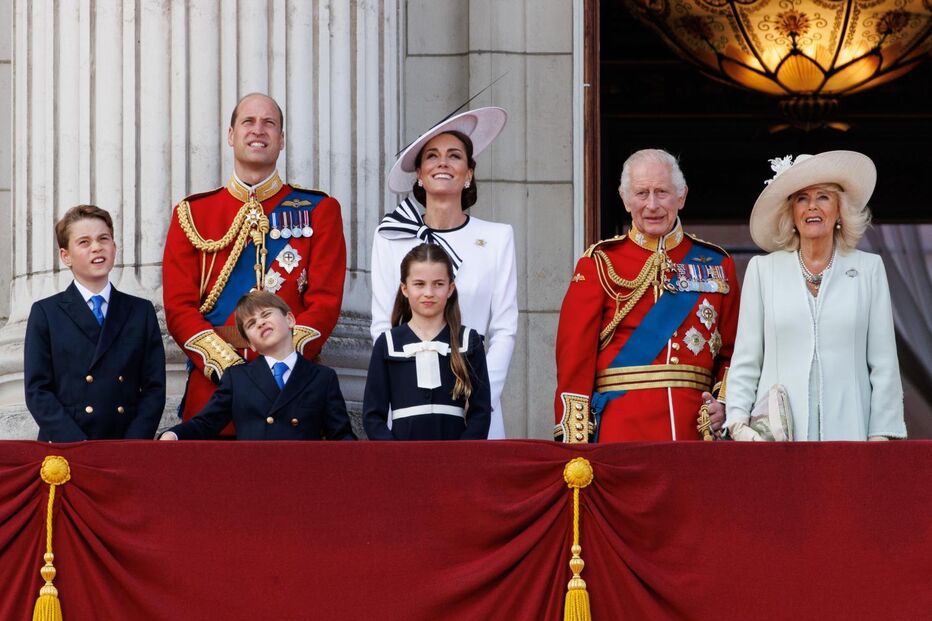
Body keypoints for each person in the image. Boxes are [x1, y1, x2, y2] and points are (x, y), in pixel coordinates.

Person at [163, 93, 346, 428]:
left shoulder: (319, 210)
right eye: (248, 121)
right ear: (231, 136)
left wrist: (282, 362)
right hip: (215, 392)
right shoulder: (192, 214)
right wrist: (231, 371)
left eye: (269, 123)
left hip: (293, 390)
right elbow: (178, 307)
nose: (258, 130)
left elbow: (325, 302)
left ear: (282, 139)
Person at [554, 149, 739, 442]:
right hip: (620, 427)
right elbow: (574, 358)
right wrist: (576, 441)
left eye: (662, 192)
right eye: (641, 193)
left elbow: (733, 351)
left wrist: (726, 405)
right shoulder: (599, 262)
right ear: (625, 199)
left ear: (682, 196)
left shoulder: (717, 263)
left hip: (694, 428)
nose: (652, 205)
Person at [725, 151, 906, 441]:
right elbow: (747, 358)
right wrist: (737, 422)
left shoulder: (868, 269)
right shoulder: (763, 271)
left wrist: (880, 437)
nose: (812, 207)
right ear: (791, 212)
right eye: (801, 198)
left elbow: (884, 364)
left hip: (851, 434)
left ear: (839, 210)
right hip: (777, 440)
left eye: (823, 197)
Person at [371, 107, 516, 439]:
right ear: (419, 175)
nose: (443, 163)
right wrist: (401, 388)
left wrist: (480, 396)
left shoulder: (497, 237)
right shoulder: (391, 236)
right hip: (409, 402)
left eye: (454, 156)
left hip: (475, 405)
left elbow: (505, 329)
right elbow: (382, 324)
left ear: (468, 174)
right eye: (432, 156)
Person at [24, 205, 166, 441]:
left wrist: (133, 444)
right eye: (84, 242)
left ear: (114, 247)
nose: (97, 247)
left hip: (125, 447)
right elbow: (37, 391)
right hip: (67, 447)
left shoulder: (141, 312)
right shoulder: (46, 313)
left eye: (103, 239)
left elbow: (154, 388)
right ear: (65, 256)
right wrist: (77, 445)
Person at [160, 291, 355, 441]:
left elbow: (340, 435)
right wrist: (174, 435)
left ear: (290, 319)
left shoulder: (322, 377)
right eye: (251, 324)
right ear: (251, 343)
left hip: (304, 474)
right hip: (253, 475)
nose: (261, 323)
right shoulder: (237, 378)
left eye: (266, 314)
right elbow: (206, 423)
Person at [364, 243, 491, 440]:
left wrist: (463, 456)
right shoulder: (388, 343)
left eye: (438, 284)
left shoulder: (468, 341)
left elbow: (480, 412)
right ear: (405, 289)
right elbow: (372, 416)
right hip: (403, 462)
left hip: (456, 462)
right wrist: (394, 454)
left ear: (450, 289)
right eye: (419, 284)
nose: (429, 292)